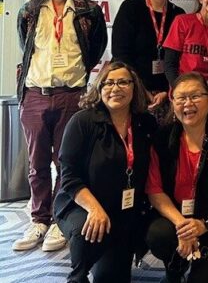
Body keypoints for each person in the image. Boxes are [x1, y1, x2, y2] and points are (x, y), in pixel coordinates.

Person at [13, 0, 107, 252]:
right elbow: (25, 46)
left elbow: (96, 49)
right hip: (36, 93)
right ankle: (39, 219)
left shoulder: (89, 11)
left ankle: (60, 217)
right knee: (37, 161)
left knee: (65, 161)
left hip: (72, 95)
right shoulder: (30, 10)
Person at [53, 62, 158, 282]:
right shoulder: (82, 122)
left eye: (123, 82)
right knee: (87, 230)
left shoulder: (146, 123)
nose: (115, 88)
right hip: (82, 205)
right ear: (99, 88)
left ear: (134, 87)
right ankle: (78, 274)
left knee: (112, 278)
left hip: (123, 210)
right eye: (108, 83)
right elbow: (69, 177)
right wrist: (95, 209)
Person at [145, 72, 208, 283]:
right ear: (173, 103)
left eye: (195, 96)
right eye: (181, 98)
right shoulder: (162, 139)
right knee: (158, 235)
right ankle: (176, 266)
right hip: (177, 221)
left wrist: (205, 224)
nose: (188, 104)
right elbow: (155, 191)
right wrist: (183, 227)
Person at [112, 0, 185, 122]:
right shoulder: (131, 7)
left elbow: (182, 59)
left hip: (166, 94)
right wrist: (142, 90)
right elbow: (120, 53)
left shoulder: (178, 15)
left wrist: (168, 90)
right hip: (133, 91)